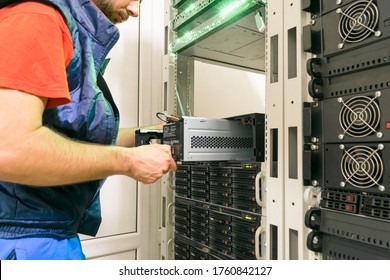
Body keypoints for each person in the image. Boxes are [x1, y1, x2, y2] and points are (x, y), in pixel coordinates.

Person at [0, 0, 176, 260]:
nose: (136, 11)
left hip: (51, 232)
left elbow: (69, 134)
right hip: (23, 240)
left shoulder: (74, 34)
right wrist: (127, 162)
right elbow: (10, 148)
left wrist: (152, 132)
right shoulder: (37, 16)